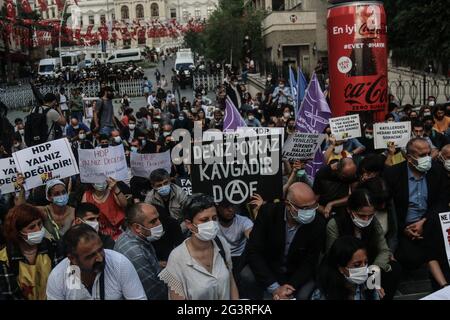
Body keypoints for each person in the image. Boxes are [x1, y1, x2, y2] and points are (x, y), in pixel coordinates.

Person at [240, 182, 326, 300]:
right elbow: (254, 251)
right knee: (247, 275)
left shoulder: (318, 224)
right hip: (269, 268)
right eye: (305, 208)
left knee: (304, 294)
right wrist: (274, 287)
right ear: (288, 204)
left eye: (313, 206)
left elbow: (310, 261)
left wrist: (290, 287)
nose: (310, 211)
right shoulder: (268, 213)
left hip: (296, 273)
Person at [158, 194, 239, 300]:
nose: (211, 224)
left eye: (214, 218)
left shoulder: (221, 244)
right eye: (204, 220)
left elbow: (231, 281)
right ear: (189, 224)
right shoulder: (176, 258)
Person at [383, 137, 447, 271]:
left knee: (442, 255)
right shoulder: (393, 174)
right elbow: (390, 209)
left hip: (430, 222)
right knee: (410, 259)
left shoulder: (436, 171)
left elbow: (441, 201)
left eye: (429, 154)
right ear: (409, 157)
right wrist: (404, 229)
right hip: (405, 227)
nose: (428, 158)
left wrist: (424, 221)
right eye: (422, 155)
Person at [325, 188, 401, 299]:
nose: (366, 219)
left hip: (367, 265)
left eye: (370, 215)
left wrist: (374, 271)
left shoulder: (373, 222)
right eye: (361, 215)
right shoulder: (335, 224)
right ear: (349, 210)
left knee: (394, 268)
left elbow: (384, 249)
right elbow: (332, 256)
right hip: (346, 269)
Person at [46, 224, 147, 300]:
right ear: (73, 259)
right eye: (91, 256)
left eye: (100, 249)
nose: (100, 258)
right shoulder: (57, 278)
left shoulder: (119, 263)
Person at [0, 204, 62, 300]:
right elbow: (9, 295)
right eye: (32, 227)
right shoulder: (4, 258)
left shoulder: (52, 247)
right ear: (18, 232)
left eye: (40, 224)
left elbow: (61, 282)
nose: (38, 229)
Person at [114, 203, 168, 300]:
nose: (159, 224)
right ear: (137, 227)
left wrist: (155, 264)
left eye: (158, 218)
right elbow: (156, 292)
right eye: (153, 221)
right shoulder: (137, 254)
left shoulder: (129, 235)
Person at [311, 236, 380, 300]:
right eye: (357, 265)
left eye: (365, 262)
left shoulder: (370, 288)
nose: (364, 268)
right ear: (340, 268)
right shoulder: (323, 295)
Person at [217, 201, 253, 271]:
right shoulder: (213, 223)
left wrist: (258, 213)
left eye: (232, 206)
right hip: (221, 257)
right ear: (218, 208)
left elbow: (253, 236)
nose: (231, 210)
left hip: (240, 256)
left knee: (248, 277)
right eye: (226, 206)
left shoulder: (243, 221)